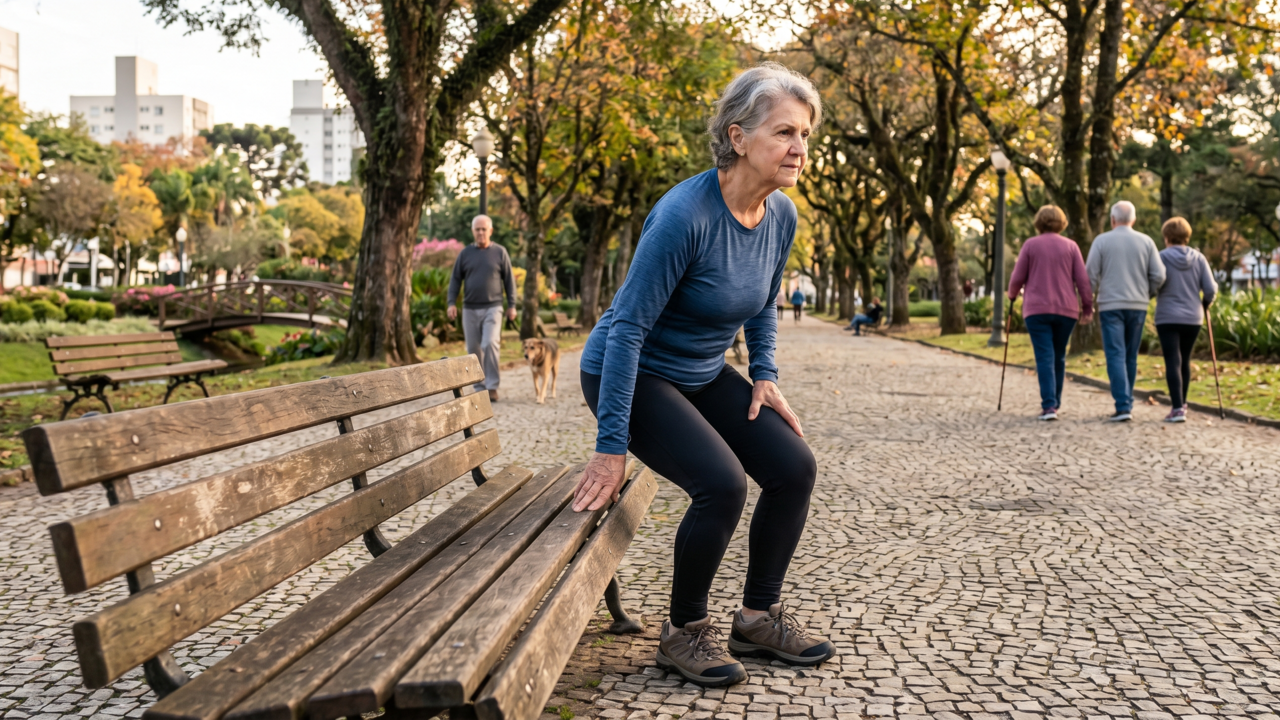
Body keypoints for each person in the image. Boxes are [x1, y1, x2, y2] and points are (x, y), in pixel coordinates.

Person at [573, 63, 834, 688]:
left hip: (701, 370)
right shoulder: (683, 216)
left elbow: (765, 301)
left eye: (805, 134)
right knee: (721, 482)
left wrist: (764, 375)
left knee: (793, 466)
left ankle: (757, 617)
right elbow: (628, 331)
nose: (799, 148)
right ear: (738, 137)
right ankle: (683, 632)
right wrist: (611, 450)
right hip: (629, 370)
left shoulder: (781, 216)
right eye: (784, 133)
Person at [1007, 205, 1093, 421]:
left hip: (1037, 310)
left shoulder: (1030, 245)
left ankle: (1049, 406)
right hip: (1066, 310)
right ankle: (1055, 402)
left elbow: (1017, 277)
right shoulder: (1071, 247)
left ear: (1039, 222)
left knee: (1044, 356)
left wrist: (1012, 294)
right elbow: (1082, 280)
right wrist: (1087, 306)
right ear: (1061, 223)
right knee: (1059, 356)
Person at [1086, 200, 1166, 422]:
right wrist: (1147, 292)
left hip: (1110, 306)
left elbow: (1090, 275)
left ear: (1112, 219)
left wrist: (1087, 302)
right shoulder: (1147, 242)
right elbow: (1159, 275)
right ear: (1134, 219)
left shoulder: (1101, 241)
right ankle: (1127, 402)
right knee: (1130, 356)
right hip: (1138, 305)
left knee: (1115, 354)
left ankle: (1123, 406)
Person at [446, 215, 518, 401]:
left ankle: (492, 386)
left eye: (483, 229)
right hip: (469, 308)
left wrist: (512, 305)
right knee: (474, 349)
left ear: (490, 231)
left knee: (490, 343)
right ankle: (479, 387)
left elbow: (509, 281)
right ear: (473, 231)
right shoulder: (465, 254)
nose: (480, 232)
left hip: (493, 307)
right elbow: (455, 280)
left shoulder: (500, 252)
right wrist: (451, 303)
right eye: (477, 229)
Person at [1154, 217, 1217, 423]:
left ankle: (1177, 407)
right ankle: (1183, 404)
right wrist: (1205, 303)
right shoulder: (1199, 259)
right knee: (1185, 360)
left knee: (1172, 359)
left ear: (1166, 237)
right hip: (1193, 317)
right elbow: (1210, 289)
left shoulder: (1161, 257)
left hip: (1167, 316)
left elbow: (1155, 282)